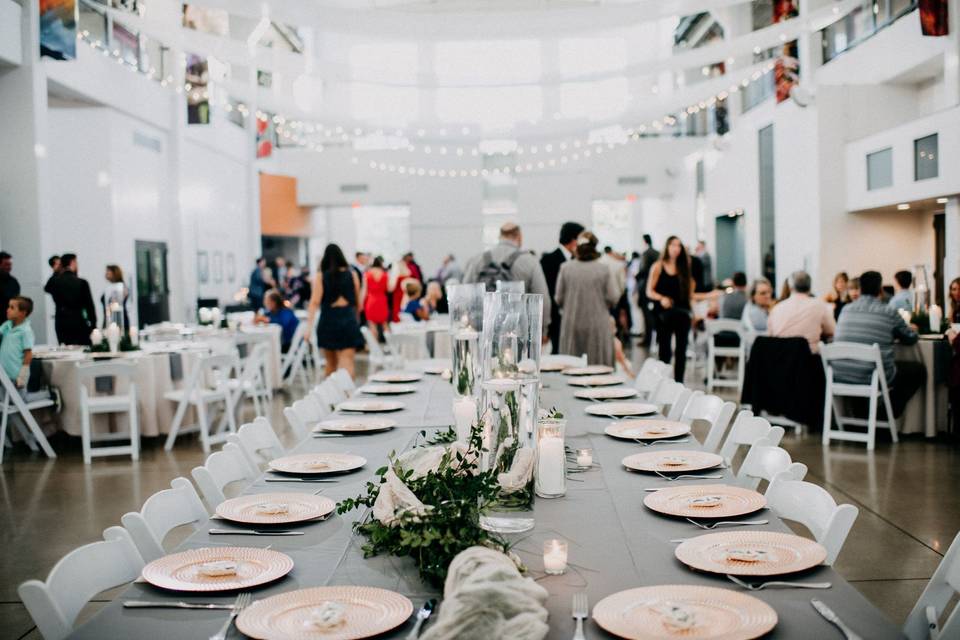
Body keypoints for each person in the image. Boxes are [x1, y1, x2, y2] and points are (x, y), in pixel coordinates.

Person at [833, 270, 923, 417]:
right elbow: (910, 339)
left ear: (860, 289)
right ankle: (884, 415)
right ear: (880, 289)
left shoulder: (845, 310)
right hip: (871, 375)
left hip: (841, 373)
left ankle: (862, 419)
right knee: (917, 371)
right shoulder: (888, 311)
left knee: (862, 367)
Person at [464, 222, 551, 338]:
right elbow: (543, 298)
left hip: (484, 333)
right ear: (519, 237)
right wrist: (543, 331)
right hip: (517, 334)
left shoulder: (477, 260)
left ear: (500, 237)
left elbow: (465, 295)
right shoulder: (530, 261)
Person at [646, 236, 712, 382]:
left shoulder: (685, 268)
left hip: (682, 312)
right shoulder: (658, 266)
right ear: (667, 247)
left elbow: (690, 295)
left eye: (678, 246)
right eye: (672, 245)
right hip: (664, 313)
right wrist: (661, 298)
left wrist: (704, 301)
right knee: (665, 350)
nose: (675, 249)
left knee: (681, 350)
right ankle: (662, 382)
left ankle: (678, 383)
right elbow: (649, 291)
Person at [555, 231, 620, 367]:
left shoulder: (565, 268)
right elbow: (613, 297)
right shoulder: (603, 269)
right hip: (597, 324)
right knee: (598, 366)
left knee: (571, 366)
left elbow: (558, 298)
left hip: (572, 323)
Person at [305, 244, 364, 378]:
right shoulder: (352, 274)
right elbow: (358, 304)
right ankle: (349, 396)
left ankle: (332, 398)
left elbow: (314, 303)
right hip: (348, 319)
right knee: (348, 362)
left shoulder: (321, 276)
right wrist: (355, 322)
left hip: (328, 320)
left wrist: (308, 328)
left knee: (331, 364)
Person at [540, 221, 585, 354]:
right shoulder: (548, 260)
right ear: (573, 240)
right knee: (559, 354)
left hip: (577, 319)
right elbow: (546, 292)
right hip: (557, 320)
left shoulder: (579, 261)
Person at [767, 271, 834, 353]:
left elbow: (770, 336)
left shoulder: (776, 308)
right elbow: (832, 331)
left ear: (790, 287)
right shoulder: (819, 306)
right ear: (810, 287)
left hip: (779, 360)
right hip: (808, 361)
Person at [45, 253, 96, 346]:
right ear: (72, 262)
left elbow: (46, 288)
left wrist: (56, 271)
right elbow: (89, 306)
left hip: (61, 321)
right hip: (78, 321)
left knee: (65, 350)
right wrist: (93, 325)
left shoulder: (54, 281)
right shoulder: (81, 282)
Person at [0, 296, 35, 388]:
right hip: (4, 374)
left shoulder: (25, 331)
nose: (8, 310)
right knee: (5, 399)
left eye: (12, 308)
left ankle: (49, 394)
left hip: (16, 375)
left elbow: (28, 354)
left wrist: (22, 376)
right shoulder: (7, 325)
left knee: (22, 399)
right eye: (8, 307)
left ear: (22, 313)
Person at [636, 234, 660, 348]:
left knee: (647, 316)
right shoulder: (656, 252)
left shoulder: (646, 254)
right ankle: (653, 339)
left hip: (646, 288)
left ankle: (648, 339)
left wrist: (636, 276)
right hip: (654, 288)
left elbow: (643, 271)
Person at [363, 256, 391, 340]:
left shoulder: (367, 273)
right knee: (385, 324)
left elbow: (364, 291)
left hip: (371, 300)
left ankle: (375, 348)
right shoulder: (385, 274)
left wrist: (361, 303)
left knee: (372, 325)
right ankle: (391, 345)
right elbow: (389, 288)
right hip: (382, 300)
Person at [100, 264, 130, 329]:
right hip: (109, 319)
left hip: (118, 321)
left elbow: (116, 305)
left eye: (108, 271)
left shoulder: (121, 288)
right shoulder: (110, 288)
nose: (106, 273)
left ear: (114, 273)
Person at [0, 252, 20, 321]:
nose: (9, 267)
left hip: (9, 321)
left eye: (10, 265)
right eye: (6, 265)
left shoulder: (13, 281)